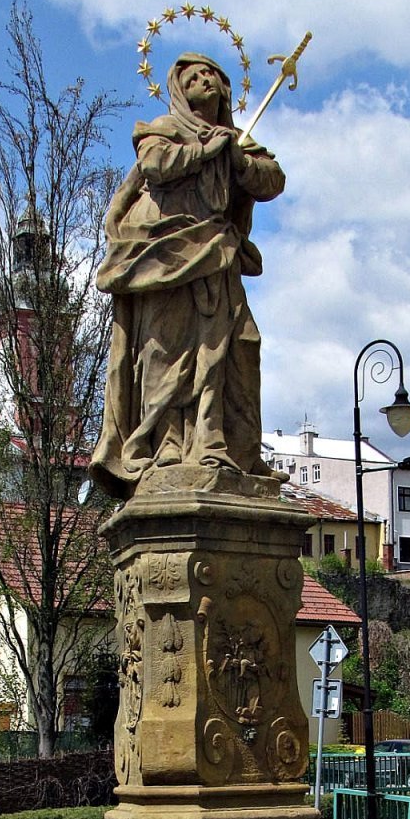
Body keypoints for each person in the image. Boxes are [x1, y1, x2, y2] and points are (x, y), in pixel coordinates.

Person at [90, 52, 286, 499]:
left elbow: (272, 180)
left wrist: (238, 159)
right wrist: (205, 150)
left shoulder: (237, 140)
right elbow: (156, 166)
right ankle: (167, 447)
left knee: (240, 347)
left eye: (212, 76)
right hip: (165, 259)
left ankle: (226, 446)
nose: (205, 82)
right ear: (179, 90)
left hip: (217, 255)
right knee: (165, 353)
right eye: (195, 77)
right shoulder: (159, 130)